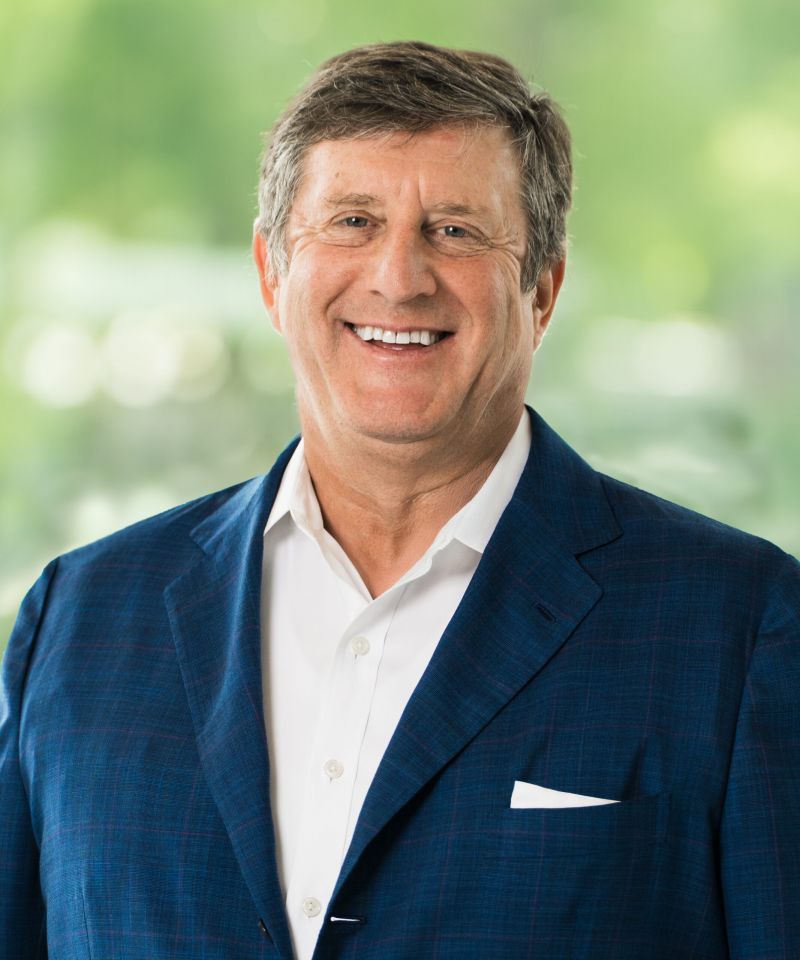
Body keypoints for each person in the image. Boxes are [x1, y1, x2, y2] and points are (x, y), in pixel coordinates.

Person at [1, 40, 798, 960]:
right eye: (351, 221)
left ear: (542, 287)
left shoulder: (740, 631)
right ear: (271, 271)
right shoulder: (82, 619)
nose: (398, 277)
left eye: (455, 229)